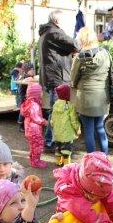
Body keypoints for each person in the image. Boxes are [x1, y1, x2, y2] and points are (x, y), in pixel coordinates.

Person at [38, 10, 80, 148]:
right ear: (57, 20)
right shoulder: (55, 32)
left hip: (51, 78)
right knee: (58, 112)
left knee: (54, 111)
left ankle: (50, 141)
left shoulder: (46, 32)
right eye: (63, 20)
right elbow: (75, 45)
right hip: (58, 78)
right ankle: (51, 142)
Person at [71, 27, 110, 154]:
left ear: (82, 39)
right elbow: (110, 72)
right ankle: (104, 158)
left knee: (88, 131)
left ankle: (91, 160)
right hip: (101, 97)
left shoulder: (79, 58)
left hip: (85, 98)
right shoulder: (105, 54)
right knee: (100, 128)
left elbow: (73, 78)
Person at [50, 83, 81, 166]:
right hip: (67, 134)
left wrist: (54, 126)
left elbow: (52, 119)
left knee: (58, 149)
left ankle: (59, 163)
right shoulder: (70, 105)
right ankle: (67, 165)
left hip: (57, 133)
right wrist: (77, 129)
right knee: (66, 150)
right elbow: (74, 120)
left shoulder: (55, 104)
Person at [20, 83, 48, 168]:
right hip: (34, 130)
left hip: (29, 129)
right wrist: (44, 121)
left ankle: (33, 160)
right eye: (41, 92)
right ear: (36, 94)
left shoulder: (28, 103)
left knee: (33, 146)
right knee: (38, 146)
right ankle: (36, 162)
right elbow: (36, 118)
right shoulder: (34, 105)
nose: (42, 94)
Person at [17, 62, 35, 132]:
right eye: (31, 69)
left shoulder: (30, 77)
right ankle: (21, 125)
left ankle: (27, 125)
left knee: (28, 111)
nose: (33, 71)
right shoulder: (25, 77)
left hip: (28, 96)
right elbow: (21, 86)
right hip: (24, 96)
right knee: (23, 111)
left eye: (33, 69)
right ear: (27, 70)